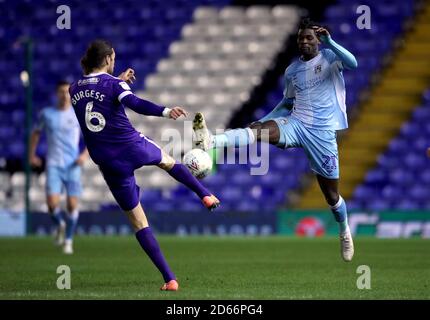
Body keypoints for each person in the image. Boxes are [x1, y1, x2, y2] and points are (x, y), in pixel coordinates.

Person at [193, 18, 358, 262]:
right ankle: (210, 141)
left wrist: (330, 41)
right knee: (258, 132)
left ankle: (344, 230)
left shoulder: (331, 58)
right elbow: (287, 104)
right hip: (296, 124)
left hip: (323, 134)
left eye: (309, 37)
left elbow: (353, 63)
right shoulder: (292, 71)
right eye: (300, 37)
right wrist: (264, 120)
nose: (303, 41)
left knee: (332, 197)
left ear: (319, 40)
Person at [70, 39, 220, 291]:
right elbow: (134, 103)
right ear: (108, 59)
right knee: (168, 162)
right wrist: (165, 111)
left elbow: (97, 94)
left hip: (107, 160)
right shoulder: (115, 84)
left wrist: (118, 80)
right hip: (130, 146)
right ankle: (205, 194)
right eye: (113, 58)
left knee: (139, 222)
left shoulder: (74, 88)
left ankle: (170, 279)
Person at [29, 80, 88, 255]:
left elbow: (92, 138)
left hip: (73, 166)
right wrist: (31, 155)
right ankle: (60, 224)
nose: (64, 95)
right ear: (56, 94)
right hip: (54, 164)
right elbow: (36, 133)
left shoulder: (78, 114)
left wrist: (84, 156)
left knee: (71, 204)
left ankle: (68, 240)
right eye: (61, 92)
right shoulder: (46, 114)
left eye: (67, 92)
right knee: (52, 204)